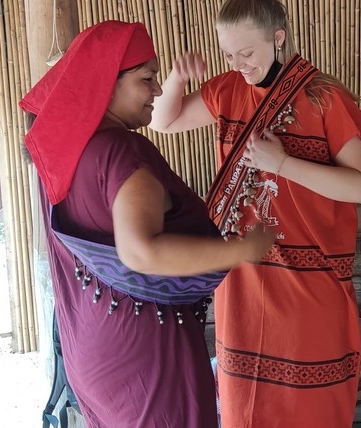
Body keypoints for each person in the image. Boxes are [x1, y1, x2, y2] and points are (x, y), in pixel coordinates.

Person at [20, 21, 273, 428]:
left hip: (91, 347)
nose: (157, 90)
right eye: (146, 78)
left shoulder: (63, 153)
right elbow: (140, 251)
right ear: (107, 83)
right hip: (146, 359)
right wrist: (241, 249)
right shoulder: (122, 151)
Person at [150, 0, 361, 428]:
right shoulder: (227, 90)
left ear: (278, 37)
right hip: (243, 282)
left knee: (312, 409)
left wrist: (282, 163)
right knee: (245, 407)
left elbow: (360, 188)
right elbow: (163, 121)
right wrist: (176, 78)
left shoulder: (325, 97)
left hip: (309, 285)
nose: (238, 65)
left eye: (247, 52)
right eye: (228, 55)